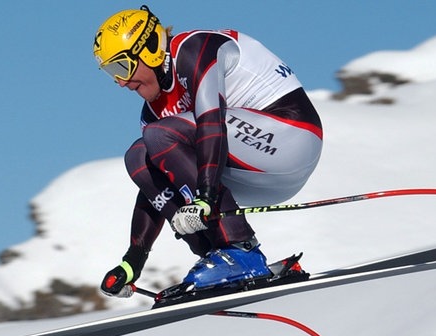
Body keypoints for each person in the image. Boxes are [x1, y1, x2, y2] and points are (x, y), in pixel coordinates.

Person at [93, 5, 323, 298]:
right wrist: (133, 260)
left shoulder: (194, 49)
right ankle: (220, 254)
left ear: (149, 49)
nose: (121, 82)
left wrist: (205, 200)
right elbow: (157, 184)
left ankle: (239, 249)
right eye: (111, 73)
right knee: (138, 156)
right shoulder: (153, 111)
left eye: (122, 67)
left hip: (293, 138)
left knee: (161, 135)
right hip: (254, 169)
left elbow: (211, 123)